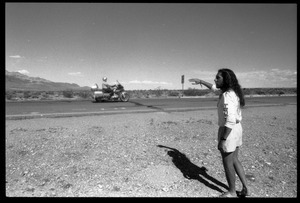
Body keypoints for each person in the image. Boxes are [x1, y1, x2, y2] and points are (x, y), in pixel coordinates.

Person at [189, 68, 249, 198]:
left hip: (229, 130)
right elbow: (214, 88)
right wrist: (200, 81)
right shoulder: (232, 92)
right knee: (235, 160)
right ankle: (245, 188)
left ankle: (232, 192)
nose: (215, 80)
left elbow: (230, 120)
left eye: (218, 78)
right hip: (237, 128)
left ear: (225, 80)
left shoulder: (227, 96)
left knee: (227, 163)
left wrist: (223, 140)